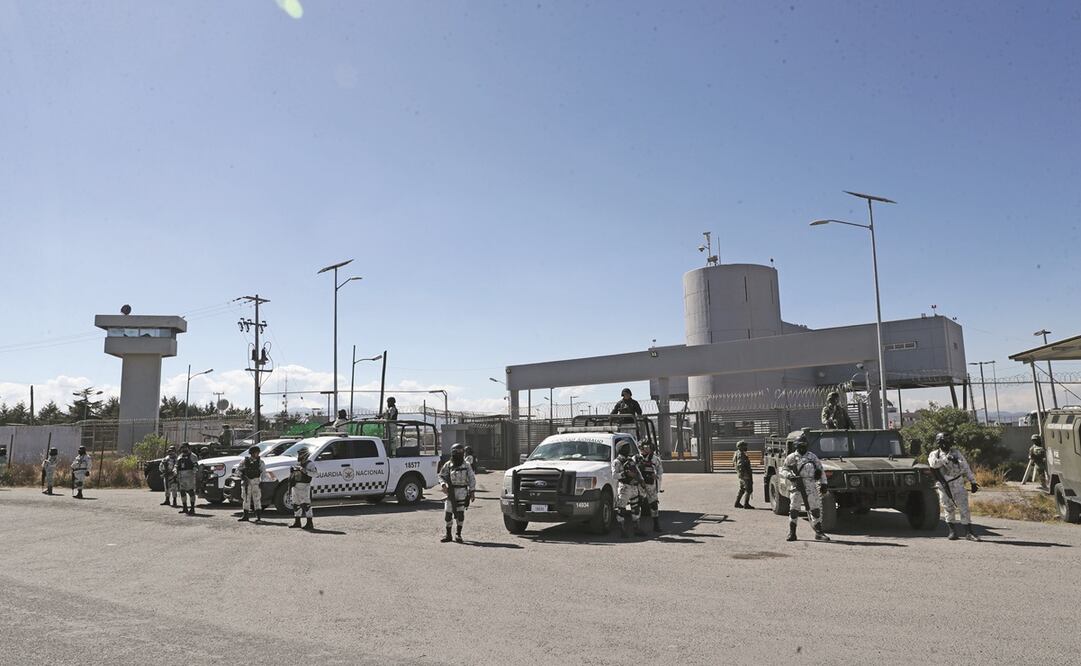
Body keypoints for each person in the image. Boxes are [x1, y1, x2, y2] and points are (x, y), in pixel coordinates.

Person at [927, 432, 980, 541]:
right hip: (944, 485)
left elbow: (965, 467)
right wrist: (946, 459)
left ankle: (969, 532)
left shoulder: (956, 453)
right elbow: (933, 464)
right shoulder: (935, 454)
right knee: (948, 508)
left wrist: (973, 481)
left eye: (949, 442)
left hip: (958, 484)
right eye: (945, 442)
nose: (947, 444)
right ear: (940, 443)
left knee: (964, 508)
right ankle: (952, 531)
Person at [781, 434, 830, 542]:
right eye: (801, 445)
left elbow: (820, 470)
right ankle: (792, 533)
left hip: (811, 485)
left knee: (815, 510)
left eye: (805, 445)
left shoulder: (812, 457)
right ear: (796, 446)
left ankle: (819, 532)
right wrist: (790, 476)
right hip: (797, 486)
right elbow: (783, 469)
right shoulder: (791, 457)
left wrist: (824, 484)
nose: (803, 447)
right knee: (794, 510)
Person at [438, 443, 476, 543]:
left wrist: (472, 491)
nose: (459, 455)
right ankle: (448, 535)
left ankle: (458, 534)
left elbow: (472, 478)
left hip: (462, 492)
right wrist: (443, 485)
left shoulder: (466, 465)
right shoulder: (448, 465)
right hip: (450, 492)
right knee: (448, 514)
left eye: (461, 452)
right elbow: (441, 475)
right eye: (457, 452)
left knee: (460, 514)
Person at [613, 440, 646, 538]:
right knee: (621, 509)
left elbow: (637, 471)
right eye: (625, 448)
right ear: (620, 449)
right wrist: (625, 474)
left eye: (628, 447)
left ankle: (637, 528)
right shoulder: (617, 462)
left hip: (634, 487)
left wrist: (641, 481)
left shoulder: (631, 460)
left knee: (635, 508)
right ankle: (622, 530)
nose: (628, 449)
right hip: (625, 488)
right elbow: (614, 475)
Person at [636, 439, 664, 532]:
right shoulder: (635, 458)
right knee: (637, 504)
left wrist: (657, 476)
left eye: (648, 447)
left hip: (650, 484)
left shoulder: (654, 458)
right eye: (645, 447)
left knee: (653, 504)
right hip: (639, 485)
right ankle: (637, 526)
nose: (647, 449)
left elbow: (660, 470)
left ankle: (656, 525)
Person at [289, 447, 318, 530]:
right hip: (296, 486)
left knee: (306, 504)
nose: (299, 456)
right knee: (296, 504)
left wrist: (306, 471)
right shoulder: (299, 463)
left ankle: (309, 523)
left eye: (300, 454)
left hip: (304, 486)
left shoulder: (310, 464)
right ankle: (297, 522)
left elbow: (315, 474)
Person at [237, 445, 266, 523]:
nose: (257, 454)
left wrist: (262, 482)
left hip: (256, 482)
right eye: (256, 453)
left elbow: (263, 472)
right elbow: (238, 470)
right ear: (251, 453)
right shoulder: (244, 461)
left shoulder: (260, 462)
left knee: (257, 499)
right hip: (247, 482)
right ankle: (245, 516)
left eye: (258, 453)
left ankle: (258, 517)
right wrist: (242, 476)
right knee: (246, 499)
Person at [175, 444, 199, 515]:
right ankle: (185, 507)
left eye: (185, 448)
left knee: (191, 491)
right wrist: (175, 471)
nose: (184, 450)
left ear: (188, 448)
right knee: (182, 492)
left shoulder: (193, 456)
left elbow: (196, 465)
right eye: (182, 448)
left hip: (189, 475)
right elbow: (176, 465)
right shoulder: (180, 456)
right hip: (181, 476)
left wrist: (195, 470)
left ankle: (192, 508)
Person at [733, 440, 754, 509]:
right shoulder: (741, 454)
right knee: (748, 489)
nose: (746, 447)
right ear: (741, 447)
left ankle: (737, 502)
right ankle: (746, 504)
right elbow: (740, 465)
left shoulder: (737, 453)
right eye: (745, 446)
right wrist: (745, 475)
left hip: (741, 474)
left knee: (742, 488)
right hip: (744, 474)